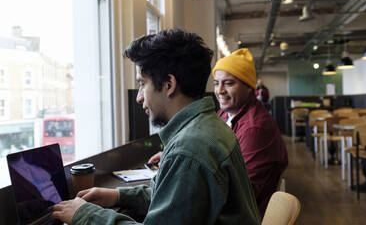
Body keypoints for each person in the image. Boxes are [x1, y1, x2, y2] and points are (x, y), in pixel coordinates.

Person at [52, 30, 261, 225]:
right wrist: (117, 195)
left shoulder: (190, 149)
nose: (139, 97)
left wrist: (85, 215)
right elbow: (173, 200)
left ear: (169, 85)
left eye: (142, 83)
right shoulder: (206, 126)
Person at [212, 48, 288, 217]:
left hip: (243, 217)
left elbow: (242, 193)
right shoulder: (225, 113)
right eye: (216, 83)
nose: (220, 90)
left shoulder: (255, 129)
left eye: (229, 83)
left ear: (249, 87)